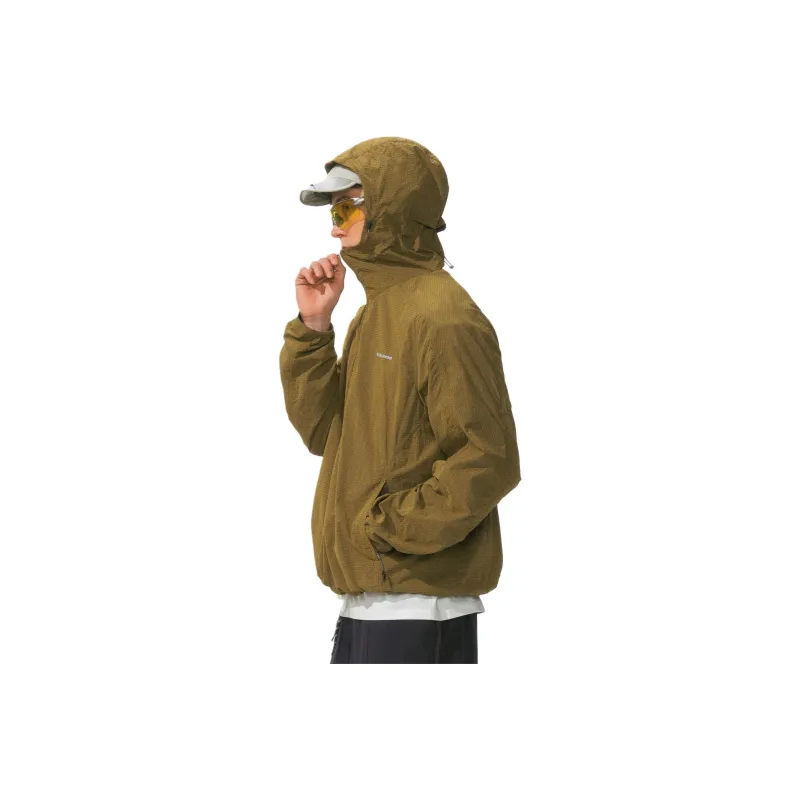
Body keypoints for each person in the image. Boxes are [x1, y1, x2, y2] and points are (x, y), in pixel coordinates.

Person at [279, 137, 521, 663]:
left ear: (390, 209)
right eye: (333, 212)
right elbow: (325, 435)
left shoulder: (443, 317)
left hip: (419, 607)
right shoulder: (378, 314)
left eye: (345, 209)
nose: (334, 227)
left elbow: (490, 458)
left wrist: (383, 526)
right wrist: (313, 329)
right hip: (369, 601)